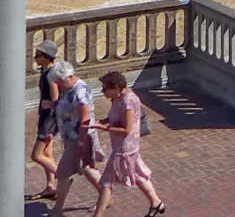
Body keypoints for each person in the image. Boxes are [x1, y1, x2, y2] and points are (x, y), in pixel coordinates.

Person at [89, 70, 164, 217]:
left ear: (117, 87)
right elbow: (117, 117)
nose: (103, 91)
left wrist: (103, 127)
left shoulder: (128, 101)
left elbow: (126, 129)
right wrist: (105, 120)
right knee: (138, 174)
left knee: (106, 182)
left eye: (106, 88)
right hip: (125, 146)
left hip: (124, 148)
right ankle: (156, 203)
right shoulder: (117, 98)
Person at [47, 60, 101, 217]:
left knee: (63, 173)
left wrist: (81, 143)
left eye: (59, 81)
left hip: (78, 138)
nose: (58, 85)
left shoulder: (80, 92)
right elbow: (67, 105)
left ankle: (58, 210)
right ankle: (105, 194)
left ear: (68, 77)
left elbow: (85, 119)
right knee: (86, 167)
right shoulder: (68, 88)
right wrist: (52, 105)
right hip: (70, 136)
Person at [30, 39, 60, 202]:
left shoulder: (51, 75)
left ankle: (61, 176)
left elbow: (55, 100)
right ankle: (51, 186)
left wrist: (47, 105)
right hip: (47, 119)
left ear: (47, 57)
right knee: (47, 153)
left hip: (48, 121)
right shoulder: (47, 71)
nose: (35, 59)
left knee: (37, 155)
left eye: (38, 56)